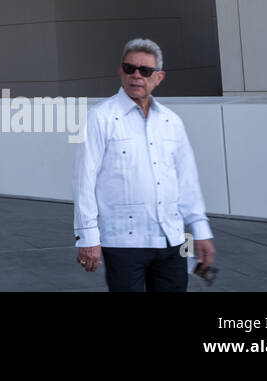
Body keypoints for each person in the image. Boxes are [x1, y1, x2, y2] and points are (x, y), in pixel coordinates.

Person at [73, 38, 216, 292]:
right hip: (124, 242)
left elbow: (187, 182)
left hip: (172, 240)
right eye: (130, 68)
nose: (136, 76)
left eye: (145, 71)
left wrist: (200, 230)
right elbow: (84, 180)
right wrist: (88, 236)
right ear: (121, 71)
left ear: (158, 77)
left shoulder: (172, 122)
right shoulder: (100, 117)